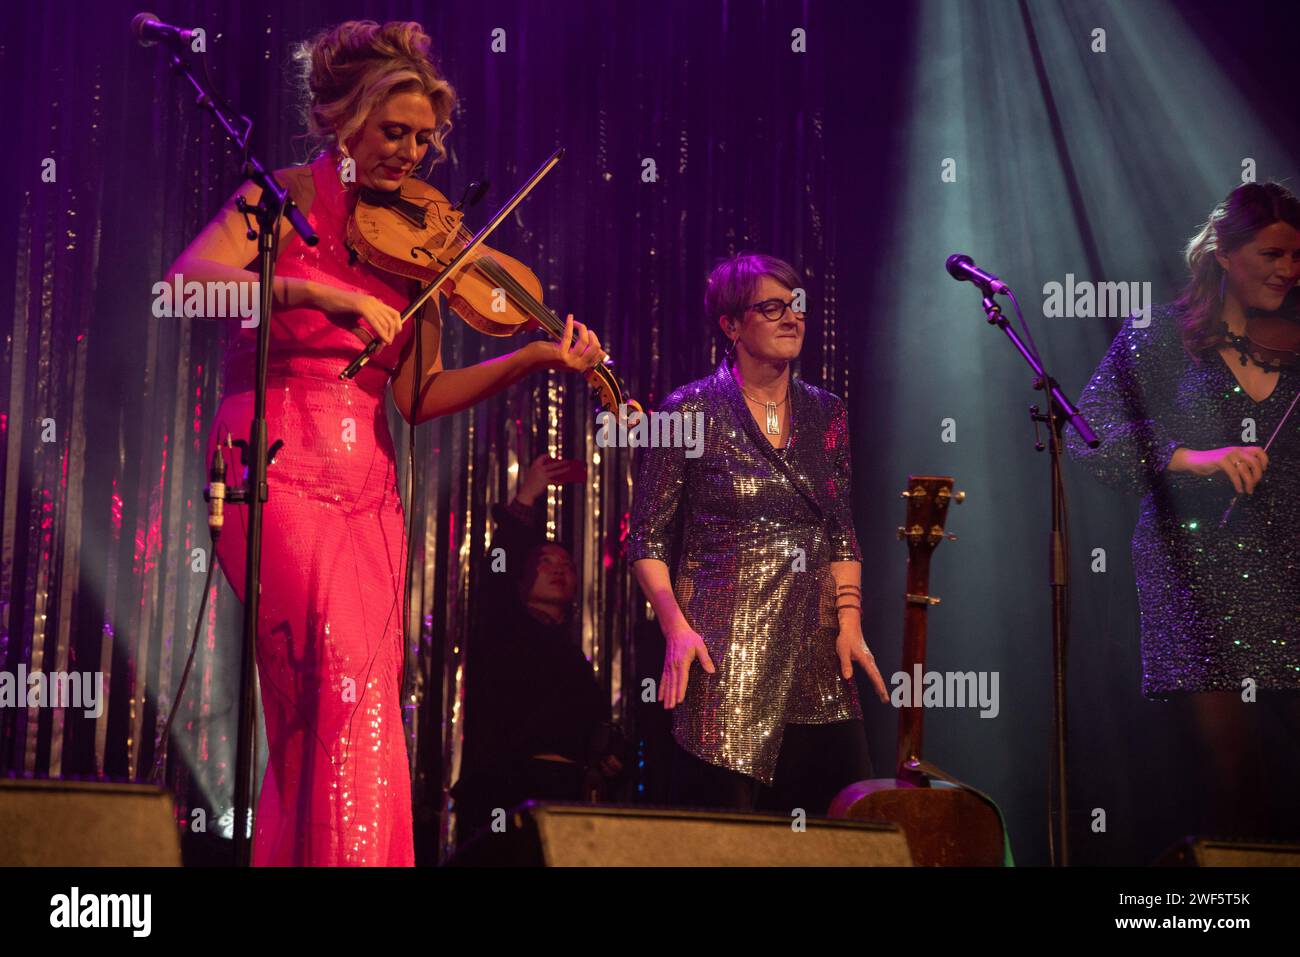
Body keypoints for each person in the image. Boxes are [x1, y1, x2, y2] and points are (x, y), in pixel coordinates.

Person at [165, 19, 605, 865]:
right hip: (276, 468)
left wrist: (531, 356)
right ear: (344, 124)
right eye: (392, 134)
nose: (410, 153)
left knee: (350, 706)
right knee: (330, 683)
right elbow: (183, 289)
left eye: (423, 138)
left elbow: (419, 397)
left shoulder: (415, 241)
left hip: (369, 495)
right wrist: (310, 293)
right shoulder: (279, 198)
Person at [1067, 181, 1300, 839]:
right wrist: (1196, 458)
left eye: (1297, 256)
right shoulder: (1160, 336)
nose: (1289, 270)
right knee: (1234, 777)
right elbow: (1090, 437)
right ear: (1224, 252)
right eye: (1272, 253)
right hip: (1195, 571)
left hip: (1289, 564)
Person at [628, 252, 889, 816]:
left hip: (817, 652)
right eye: (772, 308)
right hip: (727, 658)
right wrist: (675, 627)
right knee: (730, 833)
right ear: (731, 324)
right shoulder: (688, 410)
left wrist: (849, 622)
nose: (792, 318)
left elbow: (840, 528)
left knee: (845, 824)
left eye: (797, 306)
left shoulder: (828, 413)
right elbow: (646, 538)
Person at [454, 455, 623, 845]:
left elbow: (595, 732)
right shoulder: (501, 625)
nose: (559, 569)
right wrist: (527, 495)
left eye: (567, 564)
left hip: (567, 801)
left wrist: (611, 757)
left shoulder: (575, 660)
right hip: (506, 795)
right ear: (520, 578)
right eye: (545, 562)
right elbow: (496, 570)